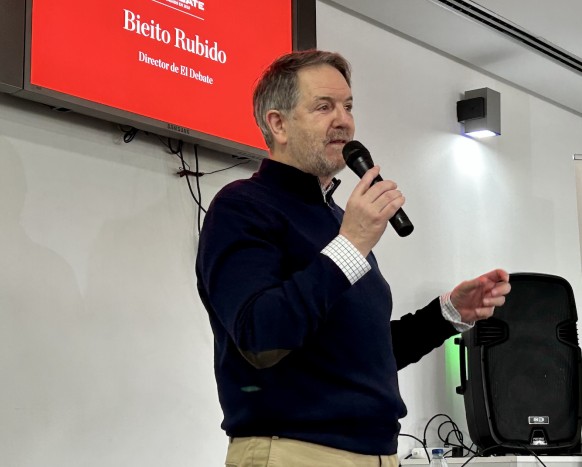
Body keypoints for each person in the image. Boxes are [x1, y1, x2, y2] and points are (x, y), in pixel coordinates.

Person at [196, 50, 510, 467]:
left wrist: (448, 314)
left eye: (347, 106)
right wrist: (352, 243)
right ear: (278, 124)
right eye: (324, 106)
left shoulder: (340, 222)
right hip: (296, 453)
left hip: (379, 455)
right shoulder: (242, 208)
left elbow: (365, 352)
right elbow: (261, 336)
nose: (343, 119)